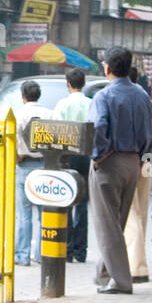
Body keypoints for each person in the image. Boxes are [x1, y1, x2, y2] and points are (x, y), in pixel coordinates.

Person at [87, 47, 152, 294]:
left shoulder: (104, 96)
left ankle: (121, 281)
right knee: (118, 220)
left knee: (108, 224)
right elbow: (149, 133)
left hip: (109, 161)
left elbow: (98, 128)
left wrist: (97, 157)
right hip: (134, 162)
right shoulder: (141, 95)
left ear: (107, 68)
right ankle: (104, 273)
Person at [124, 67, 152, 283]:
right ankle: (139, 261)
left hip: (131, 158)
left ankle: (137, 268)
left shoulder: (123, 98)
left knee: (131, 213)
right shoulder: (147, 100)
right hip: (149, 157)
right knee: (141, 207)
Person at [13, 80, 54, 266]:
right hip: (45, 165)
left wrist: (17, 156)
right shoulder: (49, 114)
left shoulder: (19, 115)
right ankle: (41, 254)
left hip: (25, 165)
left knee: (24, 214)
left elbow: (12, 142)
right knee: (43, 213)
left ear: (23, 97)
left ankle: (22, 255)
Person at [54, 68, 91, 262]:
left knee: (67, 200)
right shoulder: (91, 104)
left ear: (68, 84)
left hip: (67, 157)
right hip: (85, 156)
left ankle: (67, 250)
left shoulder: (62, 104)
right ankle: (80, 251)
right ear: (83, 83)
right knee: (83, 204)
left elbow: (57, 133)